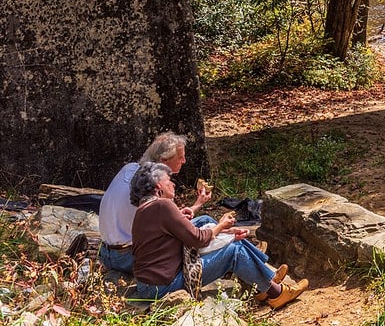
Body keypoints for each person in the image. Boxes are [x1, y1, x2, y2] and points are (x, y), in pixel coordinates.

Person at [130, 162, 307, 309]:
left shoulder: (144, 209)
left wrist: (226, 231)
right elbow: (198, 240)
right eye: (169, 180)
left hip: (148, 285)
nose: (173, 184)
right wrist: (222, 225)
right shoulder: (162, 206)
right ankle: (277, 294)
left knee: (206, 221)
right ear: (158, 185)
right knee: (233, 252)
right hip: (161, 287)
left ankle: (264, 281)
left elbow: (172, 233)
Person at [98, 132, 213, 274]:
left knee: (205, 221)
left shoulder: (129, 168)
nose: (184, 161)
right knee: (211, 238)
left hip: (106, 252)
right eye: (180, 157)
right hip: (128, 258)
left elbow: (167, 219)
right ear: (164, 161)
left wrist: (197, 204)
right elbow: (182, 230)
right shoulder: (154, 187)